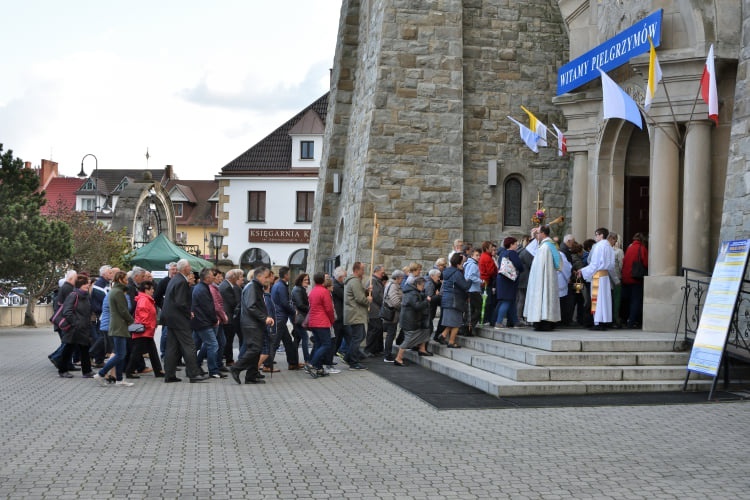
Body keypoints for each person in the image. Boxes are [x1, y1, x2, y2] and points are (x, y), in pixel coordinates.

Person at [162, 259, 208, 383]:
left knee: (172, 347)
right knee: (189, 346)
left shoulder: (175, 279)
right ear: (184, 269)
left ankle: (169, 374)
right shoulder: (182, 281)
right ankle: (193, 374)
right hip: (179, 319)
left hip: (171, 318)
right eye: (189, 267)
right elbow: (181, 302)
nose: (190, 269)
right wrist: (189, 313)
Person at [231, 266, 275, 384]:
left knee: (256, 349)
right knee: (255, 349)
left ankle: (251, 376)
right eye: (266, 277)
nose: (267, 279)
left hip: (254, 323)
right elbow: (251, 306)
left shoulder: (256, 287)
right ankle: (236, 368)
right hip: (251, 324)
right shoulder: (252, 287)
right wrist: (264, 318)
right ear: (259, 276)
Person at [94, 271, 135, 386]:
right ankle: (101, 374)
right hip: (119, 326)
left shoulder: (115, 291)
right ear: (120, 279)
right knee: (120, 354)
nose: (127, 281)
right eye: (126, 279)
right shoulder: (118, 292)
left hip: (117, 325)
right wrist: (132, 321)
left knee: (120, 353)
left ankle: (119, 379)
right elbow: (123, 310)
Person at [524, 225, 561, 331]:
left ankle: (543, 322)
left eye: (538, 233)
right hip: (545, 279)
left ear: (543, 234)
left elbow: (541, 268)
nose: (537, 235)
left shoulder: (546, 247)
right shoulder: (547, 245)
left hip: (543, 280)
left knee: (543, 297)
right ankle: (544, 322)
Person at [578, 227, 616, 330]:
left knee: (597, 299)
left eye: (596, 235)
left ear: (601, 235)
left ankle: (598, 321)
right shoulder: (609, 247)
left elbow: (594, 264)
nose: (595, 237)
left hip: (598, 276)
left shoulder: (599, 246)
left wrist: (582, 271)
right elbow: (612, 265)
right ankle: (604, 321)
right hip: (605, 276)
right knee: (604, 300)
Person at [125, 280, 164, 378]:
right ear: (146, 290)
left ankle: (158, 370)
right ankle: (129, 371)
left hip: (147, 331)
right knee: (137, 352)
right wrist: (149, 326)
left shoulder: (145, 299)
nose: (153, 290)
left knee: (152, 351)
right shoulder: (144, 300)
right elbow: (143, 316)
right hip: (144, 331)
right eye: (151, 289)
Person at [58, 274, 93, 379]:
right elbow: (67, 311)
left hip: (83, 327)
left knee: (85, 349)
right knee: (68, 349)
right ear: (80, 285)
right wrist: (76, 323)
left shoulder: (86, 296)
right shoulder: (73, 295)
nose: (87, 286)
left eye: (87, 284)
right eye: (85, 284)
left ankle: (87, 371)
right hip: (74, 328)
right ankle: (63, 370)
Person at [268, 266, 304, 371]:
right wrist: (294, 311)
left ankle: (293, 363)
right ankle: (267, 365)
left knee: (288, 342)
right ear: (286, 275)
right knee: (275, 342)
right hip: (280, 317)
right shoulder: (281, 286)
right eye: (289, 273)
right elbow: (284, 303)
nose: (290, 275)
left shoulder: (277, 284)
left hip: (279, 317)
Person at [192, 268, 224, 379]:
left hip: (200, 321)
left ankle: (195, 366)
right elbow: (208, 308)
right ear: (206, 278)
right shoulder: (202, 290)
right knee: (213, 344)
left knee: (201, 344)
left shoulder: (201, 288)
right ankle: (213, 370)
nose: (214, 277)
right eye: (212, 275)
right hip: (203, 322)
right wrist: (215, 320)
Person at [393, 277, 432, 366]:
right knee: (408, 339)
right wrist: (427, 301)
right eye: (422, 286)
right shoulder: (412, 293)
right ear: (417, 284)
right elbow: (416, 306)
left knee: (425, 331)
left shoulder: (412, 291)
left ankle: (422, 349)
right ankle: (398, 359)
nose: (423, 287)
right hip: (409, 320)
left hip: (410, 319)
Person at [305, 272, 335, 378]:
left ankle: (318, 368)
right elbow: (329, 309)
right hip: (322, 322)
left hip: (313, 321)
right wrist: (332, 320)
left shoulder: (313, 291)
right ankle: (312, 364)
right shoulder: (324, 291)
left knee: (318, 344)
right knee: (326, 344)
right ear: (323, 280)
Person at [436, 252, 469, 348]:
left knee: (452, 321)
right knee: (457, 323)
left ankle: (443, 335)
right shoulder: (456, 273)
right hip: (454, 300)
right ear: (458, 264)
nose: (463, 265)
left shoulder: (447, 271)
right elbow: (465, 286)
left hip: (447, 299)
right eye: (462, 263)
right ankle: (451, 342)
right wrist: (470, 280)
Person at [343, 261, 372, 370]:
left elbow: (358, 293)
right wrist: (368, 300)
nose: (364, 271)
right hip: (355, 314)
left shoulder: (354, 281)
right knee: (357, 338)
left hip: (355, 314)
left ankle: (348, 357)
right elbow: (359, 298)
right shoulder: (354, 281)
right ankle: (353, 362)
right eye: (362, 269)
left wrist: (366, 291)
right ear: (357, 270)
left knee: (359, 336)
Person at [495, 237, 524, 328]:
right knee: (507, 301)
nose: (517, 245)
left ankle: (515, 321)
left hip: (502, 279)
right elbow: (519, 265)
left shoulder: (502, 253)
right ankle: (499, 322)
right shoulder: (512, 253)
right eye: (515, 244)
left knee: (511, 301)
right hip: (509, 280)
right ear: (511, 245)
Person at [622, 233, 648, 329]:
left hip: (626, 277)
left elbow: (624, 261)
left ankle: (627, 319)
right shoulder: (642, 248)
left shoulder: (629, 248)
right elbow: (645, 262)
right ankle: (632, 321)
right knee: (636, 300)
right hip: (636, 277)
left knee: (628, 300)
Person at [219, 268, 243, 366]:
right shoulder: (227, 287)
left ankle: (227, 359)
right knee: (228, 340)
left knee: (227, 340)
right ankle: (229, 360)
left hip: (228, 316)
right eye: (236, 277)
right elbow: (233, 302)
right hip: (228, 317)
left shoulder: (227, 285)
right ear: (232, 277)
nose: (237, 278)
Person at [155, 262, 177, 360]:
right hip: (167, 312)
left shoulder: (179, 281)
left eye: (176, 270)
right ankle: (163, 353)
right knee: (165, 333)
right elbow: (157, 296)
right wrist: (163, 306)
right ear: (169, 270)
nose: (174, 271)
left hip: (176, 313)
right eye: (173, 269)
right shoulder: (164, 282)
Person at [382, 270, 405, 362]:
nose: (402, 280)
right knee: (390, 335)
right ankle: (387, 355)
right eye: (401, 278)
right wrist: (402, 307)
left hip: (391, 313)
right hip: (392, 314)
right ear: (398, 278)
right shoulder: (393, 286)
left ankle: (387, 354)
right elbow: (395, 301)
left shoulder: (390, 284)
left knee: (390, 334)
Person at [364, 265, 385, 357]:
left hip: (377, 309)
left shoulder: (377, 281)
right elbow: (376, 295)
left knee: (378, 329)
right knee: (374, 329)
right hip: (374, 309)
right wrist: (383, 303)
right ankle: (369, 349)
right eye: (382, 272)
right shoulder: (373, 281)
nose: (383, 274)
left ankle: (376, 349)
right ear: (377, 271)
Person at [291, 273, 312, 364]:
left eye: (308, 279)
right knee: (305, 337)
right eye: (305, 280)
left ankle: (293, 361)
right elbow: (300, 305)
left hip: (299, 317)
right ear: (300, 280)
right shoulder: (298, 290)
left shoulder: (299, 289)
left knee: (297, 339)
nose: (307, 281)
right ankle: (307, 360)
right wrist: (311, 309)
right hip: (300, 317)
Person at [463, 249, 483, 333]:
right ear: (472, 255)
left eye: (479, 255)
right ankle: (469, 325)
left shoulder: (468, 264)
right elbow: (470, 276)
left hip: (470, 289)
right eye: (477, 255)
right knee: (478, 309)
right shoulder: (473, 265)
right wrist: (481, 281)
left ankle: (467, 328)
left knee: (470, 310)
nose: (478, 257)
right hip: (473, 290)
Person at [607, 232, 624, 328]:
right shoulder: (619, 251)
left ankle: (609, 319)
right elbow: (621, 265)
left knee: (609, 300)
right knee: (616, 300)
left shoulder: (607, 250)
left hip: (607, 278)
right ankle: (616, 319)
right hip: (616, 277)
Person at [479, 241, 498, 325]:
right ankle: (486, 319)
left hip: (485, 281)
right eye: (490, 247)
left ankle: (486, 319)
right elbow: (490, 271)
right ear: (487, 248)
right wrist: (496, 271)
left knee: (486, 301)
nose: (492, 249)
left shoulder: (484, 256)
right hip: (486, 281)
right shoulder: (487, 257)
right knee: (487, 301)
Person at [331, 266, 347, 359]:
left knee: (340, 335)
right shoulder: (336, 286)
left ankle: (337, 351)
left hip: (340, 314)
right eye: (345, 276)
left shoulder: (339, 285)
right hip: (338, 315)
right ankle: (334, 352)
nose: (346, 278)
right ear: (340, 277)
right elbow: (345, 296)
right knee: (337, 336)